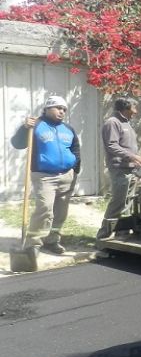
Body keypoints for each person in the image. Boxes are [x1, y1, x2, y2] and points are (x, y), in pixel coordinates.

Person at [10, 95, 80, 255]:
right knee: (44, 209)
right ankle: (33, 244)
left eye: (64, 109)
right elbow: (18, 144)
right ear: (48, 108)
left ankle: (52, 240)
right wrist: (24, 128)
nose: (61, 112)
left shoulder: (68, 129)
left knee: (61, 212)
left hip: (67, 176)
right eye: (58, 108)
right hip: (44, 176)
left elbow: (75, 149)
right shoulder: (36, 125)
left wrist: (75, 169)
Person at [96, 97, 141, 239]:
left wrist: (136, 157)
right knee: (118, 201)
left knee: (128, 202)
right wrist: (131, 156)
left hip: (130, 168)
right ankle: (103, 235)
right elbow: (112, 145)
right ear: (125, 108)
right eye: (134, 108)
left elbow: (126, 146)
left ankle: (121, 232)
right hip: (119, 168)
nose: (136, 112)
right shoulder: (113, 123)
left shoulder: (127, 124)